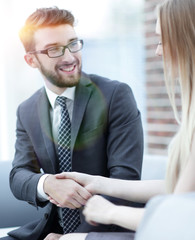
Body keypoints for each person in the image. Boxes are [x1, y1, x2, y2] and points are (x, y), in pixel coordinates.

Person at [56, 0, 195, 239]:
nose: (158, 51)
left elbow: (180, 214)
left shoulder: (116, 94)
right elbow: (179, 190)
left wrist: (109, 212)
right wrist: (100, 183)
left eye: (162, 40)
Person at [2, 6, 143, 240]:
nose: (69, 57)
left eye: (73, 44)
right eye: (54, 50)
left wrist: (73, 238)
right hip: (50, 228)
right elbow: (19, 175)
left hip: (106, 229)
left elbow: (124, 181)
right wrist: (47, 184)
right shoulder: (26, 110)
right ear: (31, 60)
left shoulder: (115, 95)